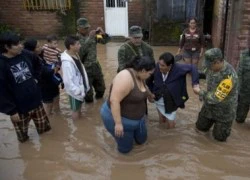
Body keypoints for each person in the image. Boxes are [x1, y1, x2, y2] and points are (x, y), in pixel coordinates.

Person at [0, 32, 51, 143]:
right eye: (16, 44)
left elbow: (38, 64)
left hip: (36, 102)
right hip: (19, 109)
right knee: (23, 140)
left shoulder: (25, 54)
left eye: (20, 43)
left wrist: (36, 79)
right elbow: (2, 92)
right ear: (6, 47)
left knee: (46, 133)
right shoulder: (2, 65)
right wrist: (11, 111)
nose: (21, 46)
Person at [100, 56, 155, 154]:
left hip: (138, 120)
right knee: (125, 150)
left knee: (142, 141)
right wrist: (118, 123)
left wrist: (150, 95)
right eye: (150, 73)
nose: (150, 76)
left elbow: (144, 86)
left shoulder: (140, 74)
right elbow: (114, 100)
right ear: (143, 70)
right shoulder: (125, 78)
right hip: (119, 119)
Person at [195, 48, 238, 142]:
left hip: (224, 111)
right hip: (208, 107)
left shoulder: (229, 77)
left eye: (210, 65)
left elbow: (216, 97)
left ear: (218, 62)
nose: (208, 67)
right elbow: (204, 72)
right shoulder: (211, 65)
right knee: (200, 129)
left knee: (219, 140)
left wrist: (199, 92)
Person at [147, 52, 200, 129]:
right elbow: (148, 81)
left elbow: (193, 68)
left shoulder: (178, 68)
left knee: (170, 121)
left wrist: (195, 84)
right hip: (158, 96)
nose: (159, 67)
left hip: (172, 99)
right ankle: (163, 135)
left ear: (170, 66)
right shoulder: (156, 67)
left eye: (163, 65)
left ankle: (170, 136)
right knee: (161, 118)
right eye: (159, 64)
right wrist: (150, 93)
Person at [23, 38, 61, 116]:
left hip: (51, 83)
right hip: (45, 86)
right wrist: (56, 67)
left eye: (40, 46)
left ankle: (58, 118)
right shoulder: (31, 61)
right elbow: (46, 72)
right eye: (37, 47)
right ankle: (51, 122)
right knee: (48, 105)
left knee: (56, 99)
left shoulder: (39, 55)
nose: (41, 48)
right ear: (31, 50)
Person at [76, 17, 110, 103]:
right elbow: (80, 53)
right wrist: (89, 38)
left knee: (101, 89)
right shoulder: (75, 39)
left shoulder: (94, 35)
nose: (87, 30)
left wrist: (103, 33)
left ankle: (98, 105)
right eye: (84, 28)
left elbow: (105, 41)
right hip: (85, 68)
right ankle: (89, 108)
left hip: (95, 66)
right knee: (88, 95)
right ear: (78, 28)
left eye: (87, 28)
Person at [61, 35, 90, 120]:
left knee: (79, 108)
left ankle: (80, 125)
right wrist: (77, 91)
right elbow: (67, 81)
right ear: (71, 46)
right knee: (75, 110)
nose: (80, 45)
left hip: (80, 88)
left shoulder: (75, 54)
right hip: (75, 92)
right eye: (78, 44)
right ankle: (76, 128)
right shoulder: (67, 62)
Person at [42, 34, 63, 115]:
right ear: (48, 43)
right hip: (46, 67)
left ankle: (56, 111)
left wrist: (58, 66)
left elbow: (60, 60)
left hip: (53, 67)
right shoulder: (44, 48)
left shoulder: (57, 51)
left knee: (55, 81)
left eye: (57, 43)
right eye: (54, 43)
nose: (56, 45)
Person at [235, 48, 250, 123]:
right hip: (244, 91)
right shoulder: (244, 55)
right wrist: (237, 88)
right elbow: (239, 72)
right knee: (239, 119)